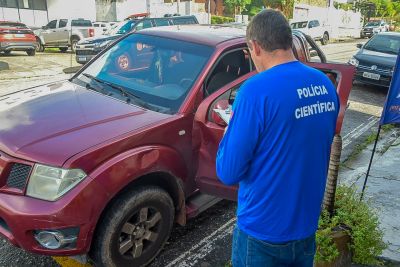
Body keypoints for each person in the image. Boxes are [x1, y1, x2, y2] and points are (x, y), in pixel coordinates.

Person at [216, 9, 340, 267]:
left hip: (262, 232)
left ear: (256, 47)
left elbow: (228, 172)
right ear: (288, 40)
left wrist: (231, 130)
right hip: (305, 227)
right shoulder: (325, 84)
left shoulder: (255, 90)